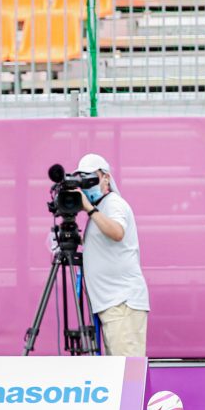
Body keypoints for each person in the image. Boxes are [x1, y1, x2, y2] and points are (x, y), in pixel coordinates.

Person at [72, 153, 149, 356]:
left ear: (105, 177)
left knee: (125, 370)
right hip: (111, 303)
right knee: (118, 370)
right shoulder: (100, 209)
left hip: (121, 302)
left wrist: (87, 208)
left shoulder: (113, 203)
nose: (87, 186)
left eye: (91, 178)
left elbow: (117, 232)